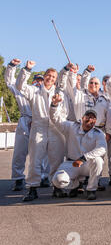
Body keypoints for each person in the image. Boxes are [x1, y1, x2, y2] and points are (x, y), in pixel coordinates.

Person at [16, 60, 70, 202]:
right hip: (38, 128)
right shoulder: (34, 91)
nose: (50, 78)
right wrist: (26, 69)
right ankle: (32, 188)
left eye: (53, 77)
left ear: (56, 79)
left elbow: (64, 113)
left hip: (55, 129)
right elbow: (20, 86)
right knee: (35, 159)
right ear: (44, 76)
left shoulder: (59, 94)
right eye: (48, 75)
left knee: (56, 159)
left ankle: (57, 187)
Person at [50, 94, 106, 200]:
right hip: (71, 163)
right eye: (88, 116)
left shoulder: (99, 133)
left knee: (98, 161)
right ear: (82, 118)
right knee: (57, 180)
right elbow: (56, 119)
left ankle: (91, 189)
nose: (90, 119)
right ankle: (75, 185)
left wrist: (83, 158)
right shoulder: (71, 127)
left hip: (87, 164)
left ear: (96, 121)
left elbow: (102, 149)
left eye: (93, 118)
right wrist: (54, 105)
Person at [4, 59, 49, 191]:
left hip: (40, 122)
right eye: (37, 79)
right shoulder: (23, 91)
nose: (39, 82)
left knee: (44, 152)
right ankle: (18, 178)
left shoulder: (46, 93)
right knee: (20, 151)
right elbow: (10, 82)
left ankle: (44, 176)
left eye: (41, 80)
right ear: (32, 80)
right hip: (25, 120)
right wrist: (12, 66)